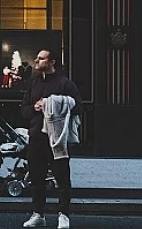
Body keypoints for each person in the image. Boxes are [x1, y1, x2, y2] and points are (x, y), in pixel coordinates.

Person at [20, 48, 83, 229]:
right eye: (37, 58)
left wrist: (53, 102)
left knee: (62, 177)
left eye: (41, 58)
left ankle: (63, 215)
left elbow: (78, 106)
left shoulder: (65, 84)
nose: (37, 61)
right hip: (36, 137)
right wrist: (36, 107)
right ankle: (38, 214)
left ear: (52, 62)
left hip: (58, 138)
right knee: (37, 177)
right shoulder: (34, 84)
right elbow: (24, 110)